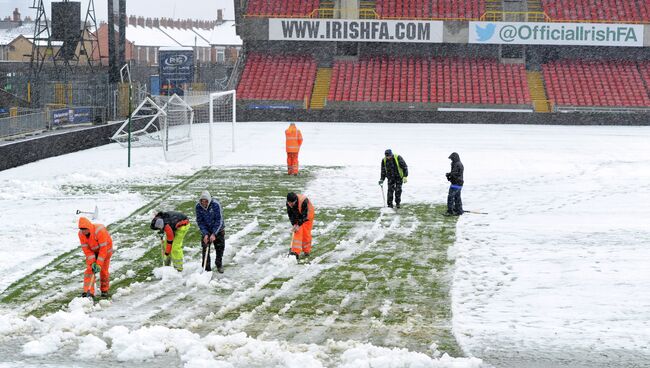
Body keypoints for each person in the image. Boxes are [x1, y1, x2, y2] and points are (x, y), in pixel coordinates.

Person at [78, 217, 113, 299]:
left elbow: (103, 249)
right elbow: (87, 250)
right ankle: (88, 292)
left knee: (103, 270)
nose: (83, 231)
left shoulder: (99, 231)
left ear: (89, 227)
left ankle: (104, 290)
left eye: (85, 229)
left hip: (106, 250)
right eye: (81, 229)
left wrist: (99, 264)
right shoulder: (81, 235)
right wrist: (92, 263)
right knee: (89, 270)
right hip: (93, 251)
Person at [195, 190, 226, 273]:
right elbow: (200, 221)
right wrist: (205, 234)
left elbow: (219, 220)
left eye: (206, 201)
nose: (204, 203)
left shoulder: (216, 205)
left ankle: (219, 264)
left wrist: (214, 233)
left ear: (209, 200)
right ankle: (206, 269)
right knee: (205, 250)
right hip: (206, 230)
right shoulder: (198, 207)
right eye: (202, 201)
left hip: (218, 230)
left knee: (219, 248)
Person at [286, 192, 314, 260]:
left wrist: (299, 224)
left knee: (306, 234)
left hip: (308, 216)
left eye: (292, 203)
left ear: (295, 201)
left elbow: (305, 216)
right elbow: (290, 214)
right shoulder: (288, 202)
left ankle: (306, 251)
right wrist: (294, 224)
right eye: (289, 203)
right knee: (297, 231)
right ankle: (295, 252)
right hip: (298, 214)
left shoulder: (304, 201)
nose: (290, 205)